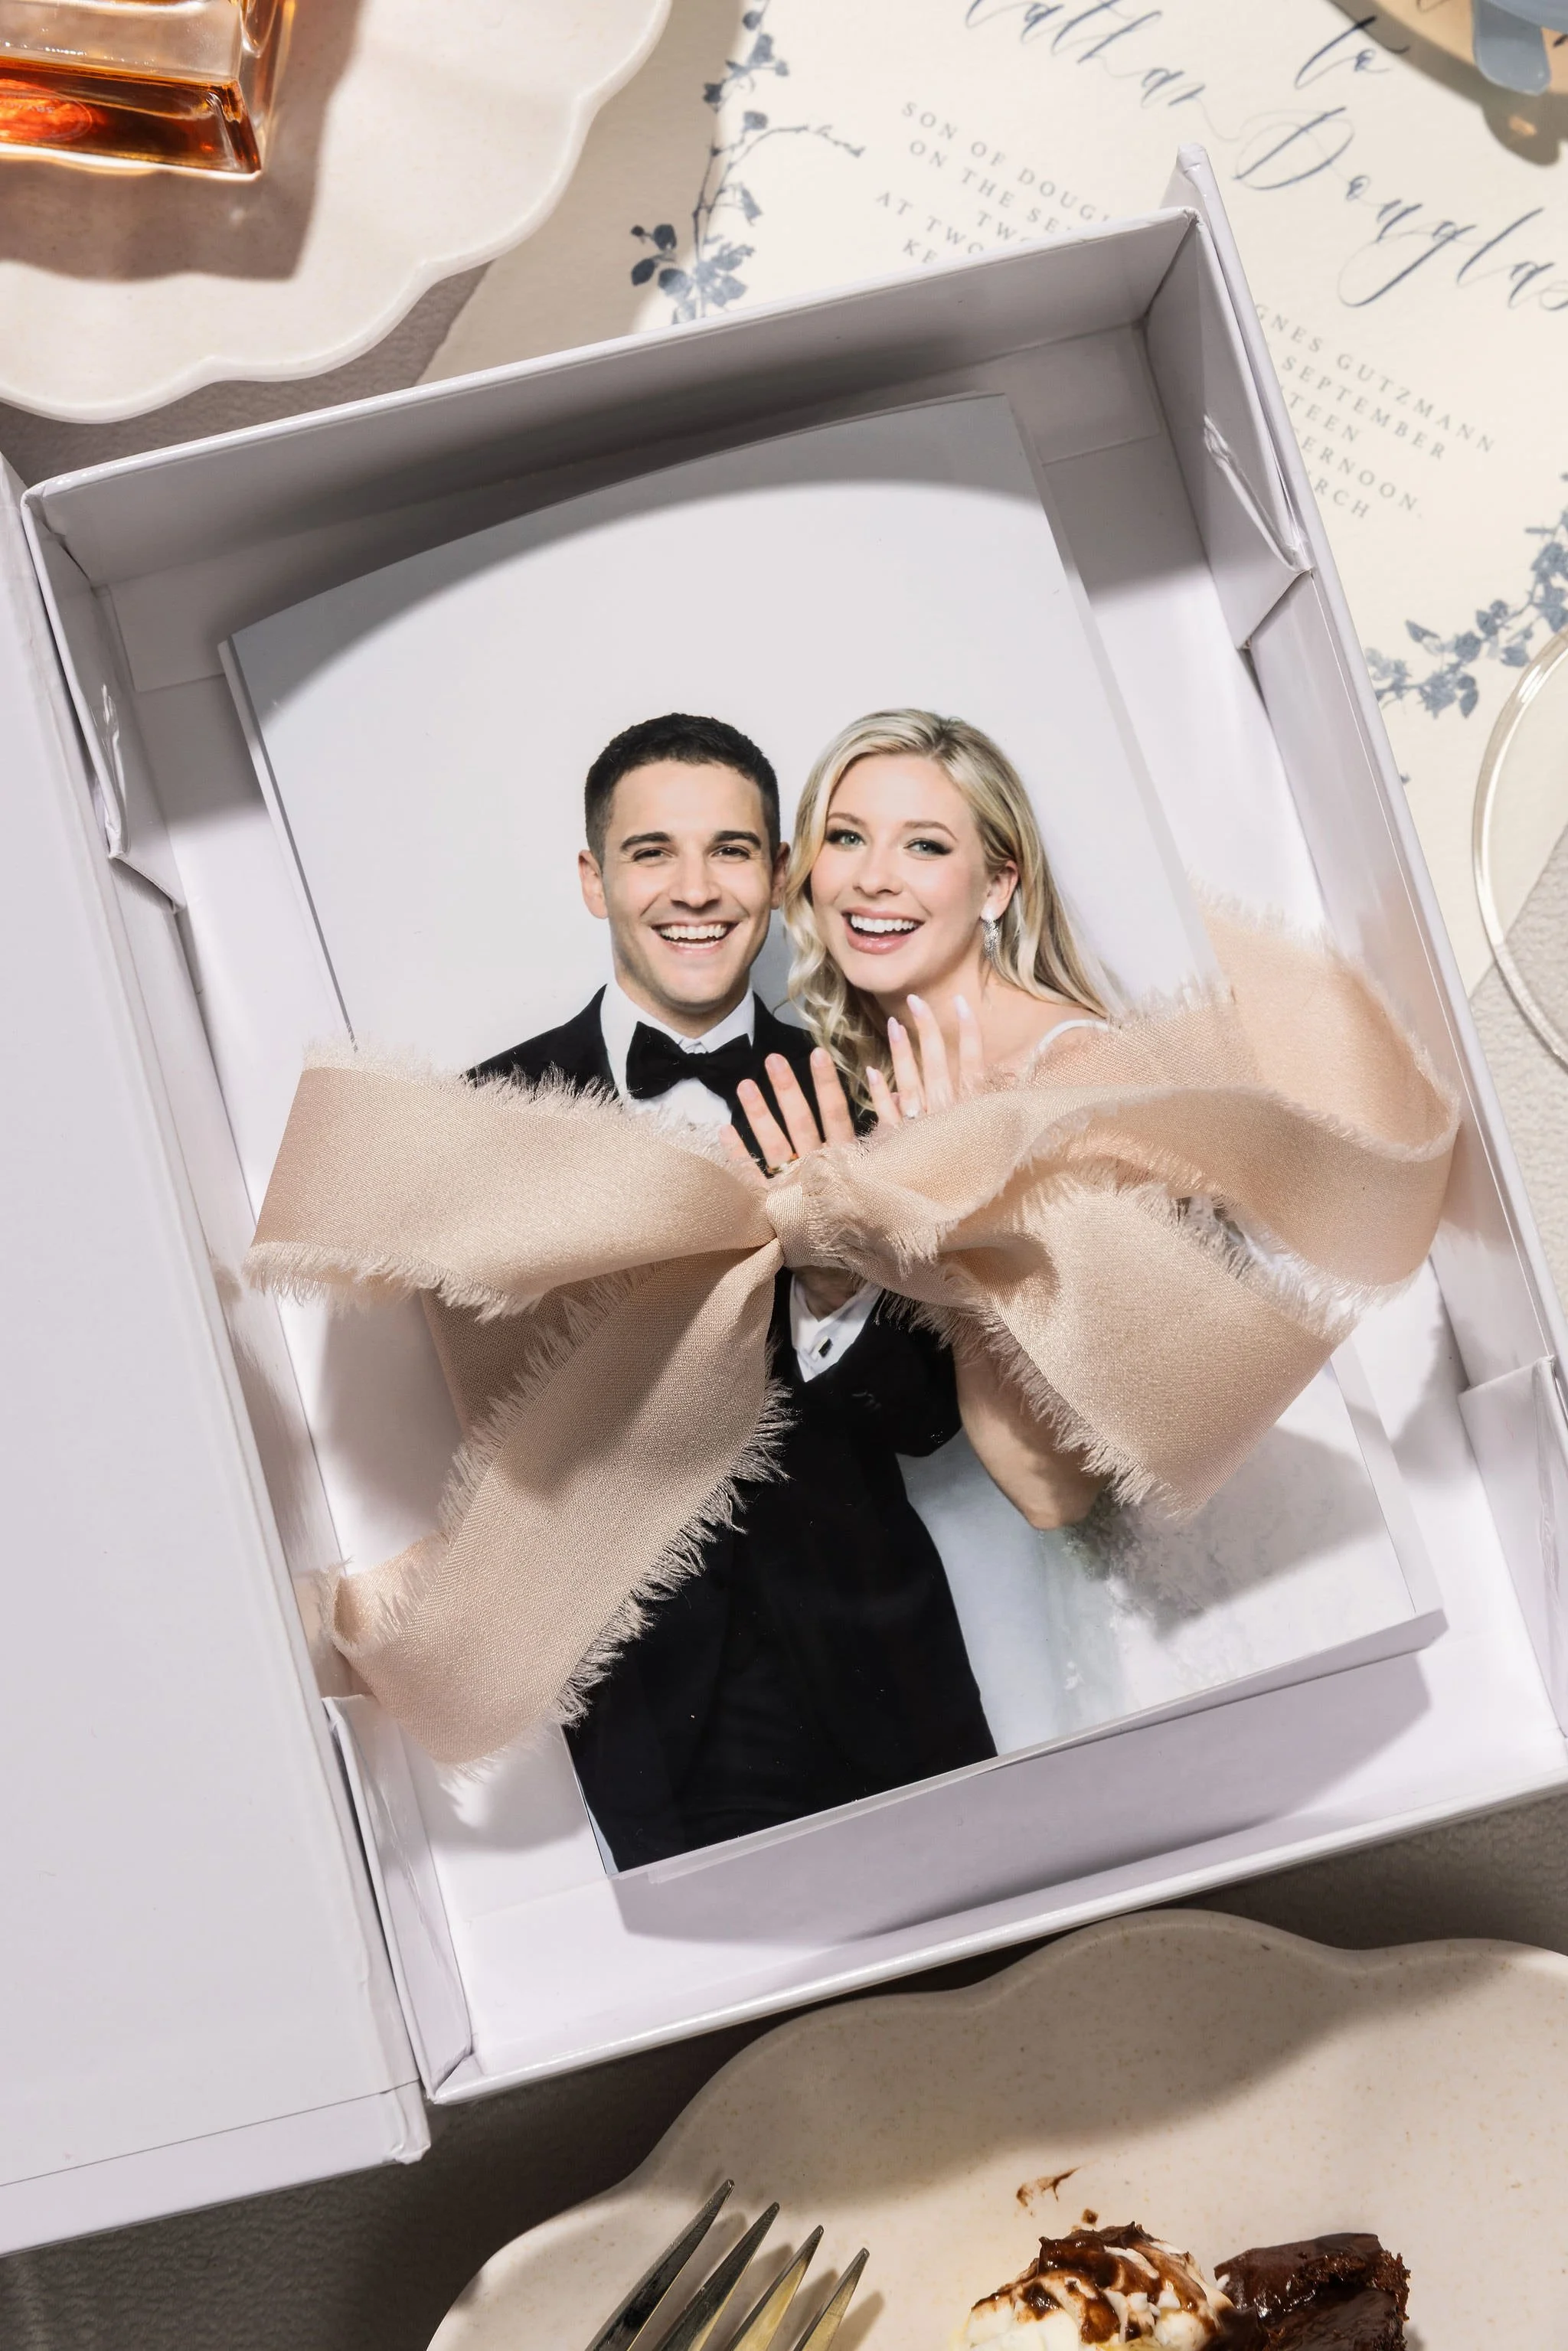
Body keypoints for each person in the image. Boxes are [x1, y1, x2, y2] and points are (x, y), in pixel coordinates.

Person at [472, 713, 995, 1866]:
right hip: (640, 1701)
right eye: (653, 850)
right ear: (593, 878)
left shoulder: (867, 1089)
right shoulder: (487, 1118)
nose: (695, 888)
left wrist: (826, 1275)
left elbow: (928, 1415)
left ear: (776, 876)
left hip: (880, 1669)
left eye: (733, 850)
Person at [727, 707, 1111, 1536]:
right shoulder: (857, 1098)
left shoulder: (1074, 1072)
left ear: (999, 884)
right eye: (845, 837)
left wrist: (956, 1229)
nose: (873, 877)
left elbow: (1055, 1490)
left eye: (925, 844)